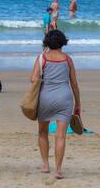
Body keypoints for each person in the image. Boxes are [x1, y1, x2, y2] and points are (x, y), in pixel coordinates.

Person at [31, 28, 81, 178]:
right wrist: (78, 104)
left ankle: (46, 165)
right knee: (60, 136)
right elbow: (74, 84)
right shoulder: (67, 59)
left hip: (45, 97)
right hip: (65, 98)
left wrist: (45, 80)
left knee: (42, 132)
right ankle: (58, 170)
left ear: (47, 42)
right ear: (62, 42)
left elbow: (33, 79)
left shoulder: (42, 58)